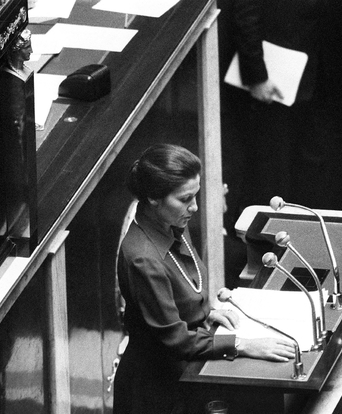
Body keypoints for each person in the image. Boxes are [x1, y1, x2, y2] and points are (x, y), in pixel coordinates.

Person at [113, 144, 296, 413]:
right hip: (155, 391)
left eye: (195, 196)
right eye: (185, 199)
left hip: (184, 373)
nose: (195, 207)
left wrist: (206, 314)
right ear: (153, 197)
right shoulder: (142, 258)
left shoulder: (173, 222)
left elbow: (188, 289)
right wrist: (242, 345)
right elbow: (174, 339)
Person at [217, 0, 342, 237]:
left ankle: (306, 239)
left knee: (316, 168)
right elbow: (246, 12)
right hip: (275, 79)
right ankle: (261, 243)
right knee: (271, 169)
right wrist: (257, 75)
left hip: (324, 76)